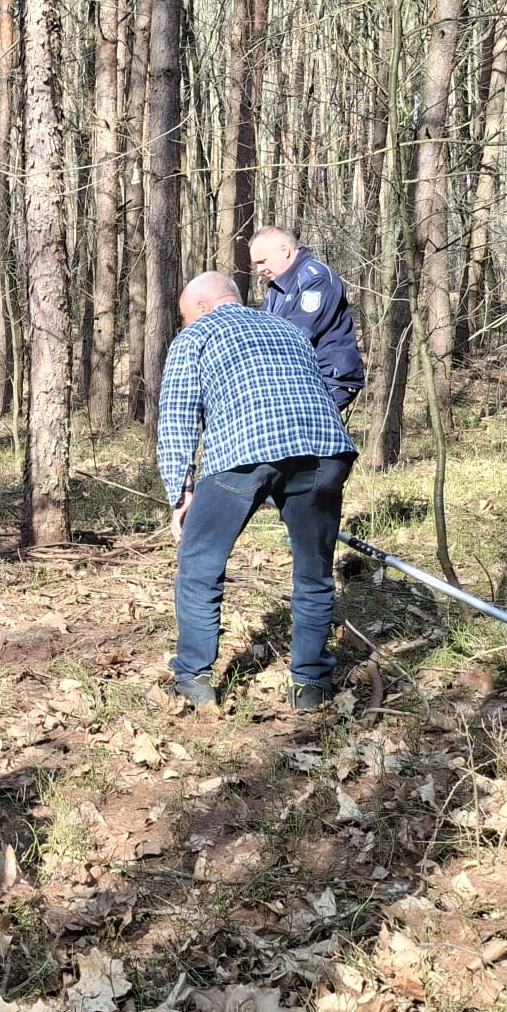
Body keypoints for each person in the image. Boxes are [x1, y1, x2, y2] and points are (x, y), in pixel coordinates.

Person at [156, 272, 358, 714]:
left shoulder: (195, 338)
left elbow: (177, 420)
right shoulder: (289, 329)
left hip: (242, 456)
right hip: (325, 453)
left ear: (204, 307)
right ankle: (312, 685)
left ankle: (193, 679)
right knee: (314, 574)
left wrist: (180, 493)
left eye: (186, 316)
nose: (185, 323)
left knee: (199, 568)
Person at [249, 226, 365, 411]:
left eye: (262, 261)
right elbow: (261, 327)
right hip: (301, 376)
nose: (259, 269)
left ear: (284, 250)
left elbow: (294, 335)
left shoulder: (315, 279)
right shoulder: (278, 286)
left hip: (328, 377)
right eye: (256, 264)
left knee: (301, 430)